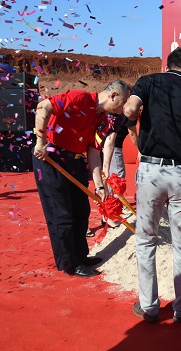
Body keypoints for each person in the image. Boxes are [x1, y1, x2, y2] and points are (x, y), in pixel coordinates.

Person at [124, 47, 181, 323]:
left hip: (150, 171)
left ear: (168, 64)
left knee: (146, 239)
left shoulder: (148, 82)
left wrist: (135, 125)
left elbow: (130, 109)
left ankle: (149, 307)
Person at [32, 80, 130, 277]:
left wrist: (99, 186)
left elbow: (93, 152)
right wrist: (40, 142)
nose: (123, 108)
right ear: (113, 96)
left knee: (81, 210)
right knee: (62, 214)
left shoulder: (103, 120)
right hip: (52, 158)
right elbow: (43, 107)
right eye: (123, 102)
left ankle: (81, 256)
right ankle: (70, 263)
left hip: (76, 162)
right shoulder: (80, 98)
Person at [102, 114, 138, 225]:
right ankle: (112, 211)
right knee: (117, 179)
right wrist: (140, 150)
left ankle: (112, 209)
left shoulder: (121, 113)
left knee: (114, 178)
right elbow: (132, 133)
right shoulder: (128, 113)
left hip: (111, 146)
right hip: (112, 148)